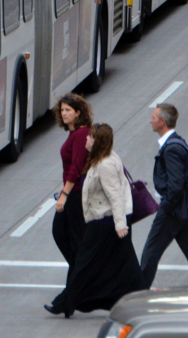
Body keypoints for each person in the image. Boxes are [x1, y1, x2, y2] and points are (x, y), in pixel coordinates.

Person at [46, 124, 145, 316]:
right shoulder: (101, 159)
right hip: (108, 221)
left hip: (105, 222)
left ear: (98, 141)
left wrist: (120, 224)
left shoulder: (105, 164)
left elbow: (116, 196)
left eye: (90, 137)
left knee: (84, 263)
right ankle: (140, 300)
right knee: (126, 264)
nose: (86, 140)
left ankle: (65, 303)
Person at [140, 104, 188, 287]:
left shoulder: (172, 148)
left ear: (163, 122)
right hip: (181, 209)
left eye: (153, 117)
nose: (150, 120)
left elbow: (176, 186)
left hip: (173, 211)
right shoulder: (176, 142)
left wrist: (166, 208)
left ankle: (138, 293)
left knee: (150, 253)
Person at [51, 94, 93, 272]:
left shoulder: (81, 134)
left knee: (70, 236)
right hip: (72, 191)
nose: (64, 113)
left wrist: (64, 195)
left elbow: (76, 168)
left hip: (76, 195)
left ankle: (81, 272)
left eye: (68, 110)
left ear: (78, 112)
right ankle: (78, 271)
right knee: (63, 234)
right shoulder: (74, 133)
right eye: (62, 110)